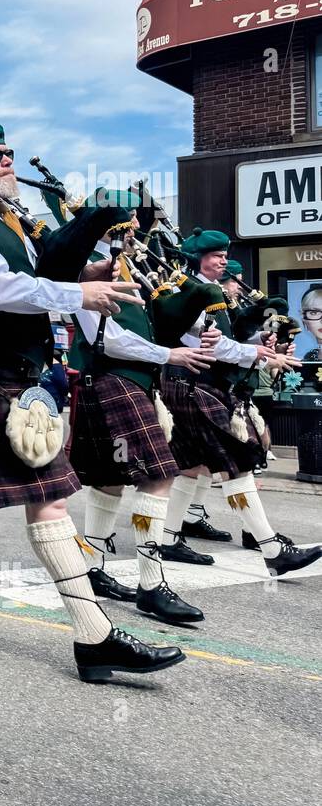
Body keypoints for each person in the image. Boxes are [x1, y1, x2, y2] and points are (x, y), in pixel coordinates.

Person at [0, 121, 184, 682]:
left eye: (10, 154)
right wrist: (80, 292)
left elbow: (35, 276)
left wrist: (85, 271)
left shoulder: (9, 224)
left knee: (51, 503)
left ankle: (93, 637)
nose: (7, 163)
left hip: (18, 384)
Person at [67, 191, 217, 625]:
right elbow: (106, 338)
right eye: (127, 220)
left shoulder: (129, 266)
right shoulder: (83, 267)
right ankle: (152, 585)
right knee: (159, 476)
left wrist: (193, 329)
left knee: (112, 480)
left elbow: (157, 324)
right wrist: (167, 355)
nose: (135, 227)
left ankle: (92, 567)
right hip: (115, 380)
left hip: (130, 381)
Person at [157, 229, 318, 576]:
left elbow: (227, 340)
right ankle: (272, 549)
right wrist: (256, 352)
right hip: (193, 384)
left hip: (197, 385)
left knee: (192, 466)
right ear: (198, 258)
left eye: (224, 255)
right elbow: (208, 345)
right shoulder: (188, 292)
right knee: (238, 462)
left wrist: (262, 341)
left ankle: (168, 539)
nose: (223, 261)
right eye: (215, 255)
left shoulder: (212, 293)